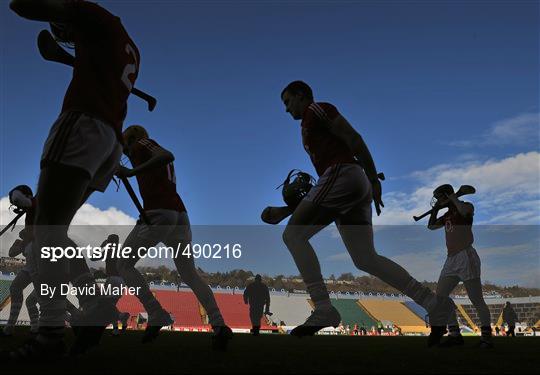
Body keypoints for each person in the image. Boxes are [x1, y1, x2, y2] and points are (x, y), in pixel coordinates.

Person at [264, 81, 455, 344]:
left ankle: (323, 308)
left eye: (287, 102)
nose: (286, 109)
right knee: (365, 258)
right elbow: (325, 201)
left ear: (301, 96)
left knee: (293, 237)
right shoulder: (307, 124)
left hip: (343, 174)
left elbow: (353, 138)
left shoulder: (316, 110)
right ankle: (432, 303)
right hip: (349, 183)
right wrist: (288, 210)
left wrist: (374, 177)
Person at [8, 0, 140, 360]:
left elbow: (24, 6)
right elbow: (90, 66)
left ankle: (50, 332)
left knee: (46, 230)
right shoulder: (127, 46)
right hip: (109, 139)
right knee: (51, 232)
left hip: (82, 123)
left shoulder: (92, 15)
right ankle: (92, 304)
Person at [115, 125, 232, 348]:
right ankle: (218, 323)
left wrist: (130, 172)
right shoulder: (142, 151)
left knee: (124, 264)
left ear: (133, 138)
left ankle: (155, 312)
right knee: (189, 274)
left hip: (159, 213)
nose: (126, 152)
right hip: (179, 215)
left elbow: (167, 155)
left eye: (125, 145)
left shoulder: (143, 143)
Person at [428, 184, 493, 348]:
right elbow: (431, 226)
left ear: (447, 195)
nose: (438, 201)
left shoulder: (465, 206)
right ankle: (455, 335)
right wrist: (436, 209)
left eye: (439, 198)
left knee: (476, 299)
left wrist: (453, 199)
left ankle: (486, 339)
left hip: (466, 255)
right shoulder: (447, 215)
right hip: (451, 259)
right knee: (440, 297)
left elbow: (465, 212)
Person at [0, 186, 39, 338]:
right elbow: (12, 253)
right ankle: (10, 327)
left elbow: (19, 199)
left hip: (39, 255)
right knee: (15, 288)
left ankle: (74, 317)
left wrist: (14, 196)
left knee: (43, 297)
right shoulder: (30, 208)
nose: (16, 207)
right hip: (30, 260)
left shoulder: (36, 201)